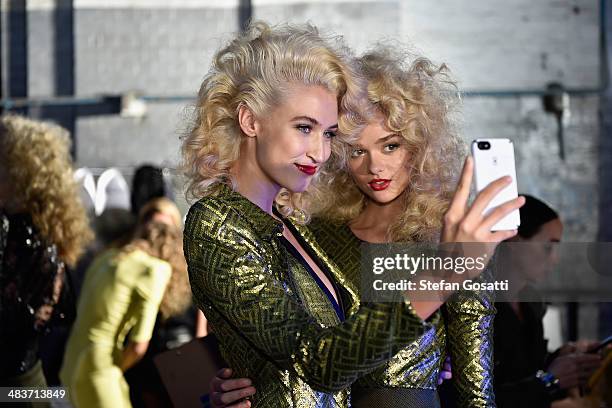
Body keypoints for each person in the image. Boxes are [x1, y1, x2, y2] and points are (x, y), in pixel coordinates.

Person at [183, 21, 522, 407]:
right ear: (250, 121)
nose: (320, 152)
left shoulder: (290, 227)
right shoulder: (223, 221)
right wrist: (443, 274)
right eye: (304, 128)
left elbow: (321, 357)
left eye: (327, 134)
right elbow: (317, 362)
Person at [60, 198, 185, 408]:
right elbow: (138, 346)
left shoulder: (108, 256)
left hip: (71, 362)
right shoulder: (155, 270)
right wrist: (116, 369)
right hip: (101, 368)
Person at [0, 115, 93, 396]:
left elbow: (16, 327)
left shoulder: (28, 240)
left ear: (18, 171)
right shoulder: (33, 233)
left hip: (16, 387)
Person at [493, 195, 602, 407]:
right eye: (548, 247)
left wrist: (563, 357)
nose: (555, 259)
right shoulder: (477, 306)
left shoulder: (532, 302)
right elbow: (475, 398)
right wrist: (550, 380)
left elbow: (528, 367)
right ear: (515, 242)